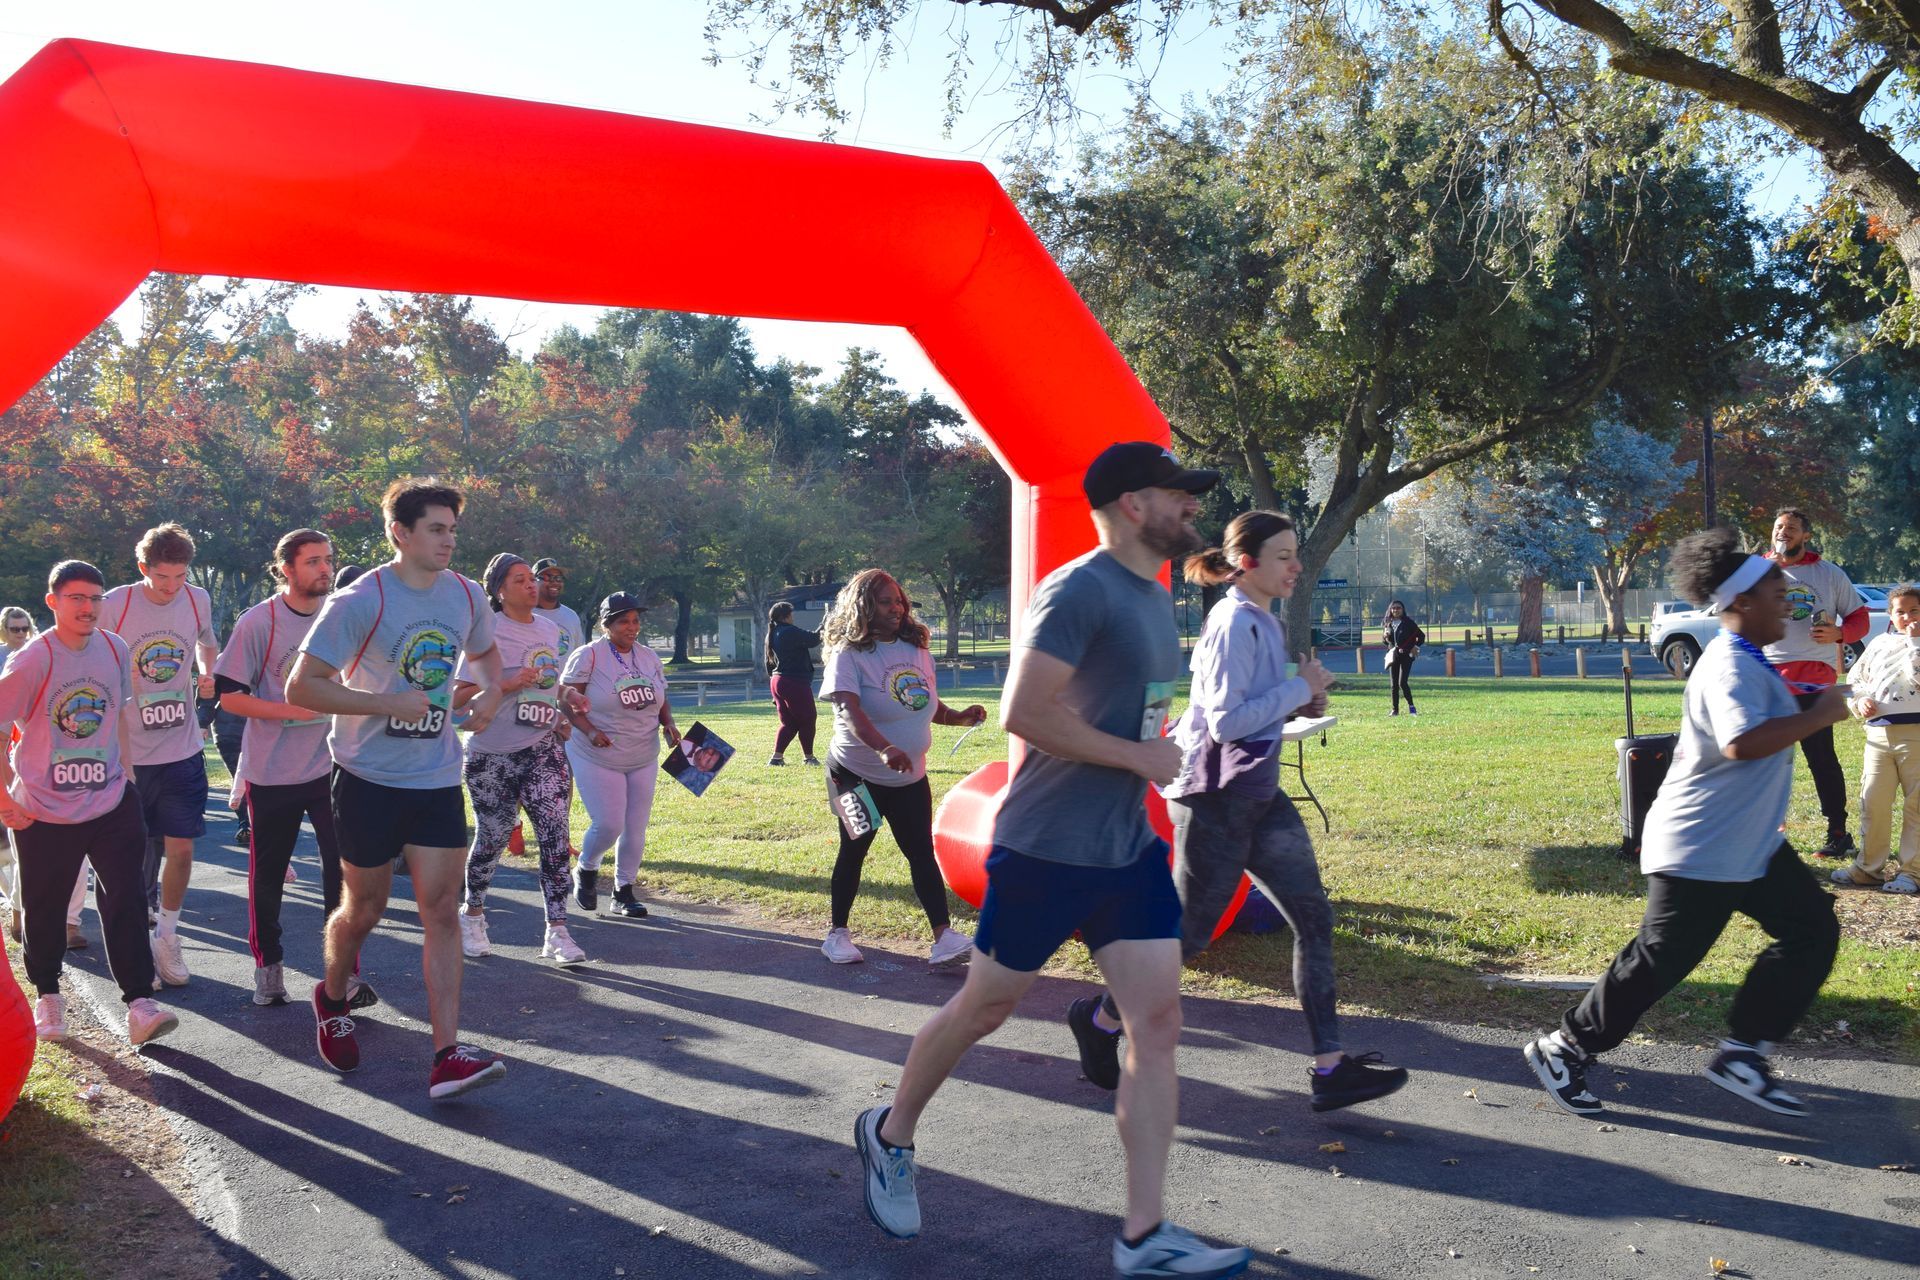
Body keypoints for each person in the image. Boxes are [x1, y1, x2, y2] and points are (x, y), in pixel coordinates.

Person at [854, 442, 1253, 1279]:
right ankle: (889, 1135)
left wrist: (1164, 744)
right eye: (1180, 496)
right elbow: (1023, 712)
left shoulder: (1150, 592)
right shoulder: (1077, 589)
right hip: (1045, 847)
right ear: (1134, 504)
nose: (1193, 508)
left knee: (1159, 1022)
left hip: (1124, 849)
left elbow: (1123, 714)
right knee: (983, 1010)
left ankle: (1144, 1236)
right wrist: (1137, 759)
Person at [1070, 511, 1406, 1113]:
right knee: (1189, 937)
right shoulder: (1232, 622)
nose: (1296, 566)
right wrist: (1297, 690)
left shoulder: (1262, 622)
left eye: (1295, 554)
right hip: (1215, 799)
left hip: (1258, 795)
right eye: (1283, 556)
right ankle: (1100, 1019)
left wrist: (1295, 704)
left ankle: (1330, 1069)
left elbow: (1251, 712)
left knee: (1314, 918)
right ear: (1246, 562)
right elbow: (1225, 723)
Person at [1523, 526, 1844, 1119]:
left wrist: (1818, 699)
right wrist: (1821, 712)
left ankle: (1742, 1053)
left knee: (1812, 931)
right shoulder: (1728, 664)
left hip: (1746, 845)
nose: (1789, 605)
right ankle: (1563, 1047)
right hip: (1702, 845)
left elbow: (1765, 716)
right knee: (1658, 961)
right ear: (1741, 603)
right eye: (1779, 595)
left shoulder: (1751, 658)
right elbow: (1742, 741)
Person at [288, 477, 510, 1099]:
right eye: (436, 529)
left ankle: (446, 1055)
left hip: (437, 777)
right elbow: (301, 688)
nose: (448, 540)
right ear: (400, 533)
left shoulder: (466, 595)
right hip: (367, 778)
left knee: (441, 909)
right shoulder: (362, 601)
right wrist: (388, 701)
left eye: (452, 530)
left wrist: (492, 691)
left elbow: (488, 659)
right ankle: (331, 995)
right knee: (365, 909)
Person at [0, 560, 178, 1047]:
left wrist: (129, 775)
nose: (87, 607)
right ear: (52, 602)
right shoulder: (33, 659)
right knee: (45, 906)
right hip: (43, 807)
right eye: (76, 598)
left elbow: (118, 712)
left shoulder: (115, 647)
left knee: (126, 897)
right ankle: (49, 996)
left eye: (95, 598)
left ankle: (140, 1003)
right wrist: (4, 799)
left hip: (110, 799)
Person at [214, 529, 374, 1008]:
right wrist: (297, 710)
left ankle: (341, 975)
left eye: (328, 560)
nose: (325, 569)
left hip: (334, 764)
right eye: (312, 562)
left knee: (342, 874)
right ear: (286, 568)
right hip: (273, 771)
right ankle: (269, 967)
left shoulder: (344, 616)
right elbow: (228, 696)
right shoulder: (259, 622)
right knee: (269, 875)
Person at [817, 570, 981, 967]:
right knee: (855, 847)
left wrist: (958, 717)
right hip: (853, 773)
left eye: (900, 601)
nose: (897, 608)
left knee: (920, 852)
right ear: (864, 606)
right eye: (886, 601)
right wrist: (884, 748)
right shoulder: (848, 653)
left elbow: (924, 703)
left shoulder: (915, 647)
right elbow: (849, 710)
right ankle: (837, 933)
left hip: (908, 775)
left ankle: (943, 938)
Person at [457, 554, 590, 965]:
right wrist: (508, 682)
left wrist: (568, 700)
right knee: (492, 839)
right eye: (520, 580)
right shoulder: (485, 631)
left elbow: (550, 684)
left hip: (542, 747)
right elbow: (460, 697)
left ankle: (557, 930)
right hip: (491, 754)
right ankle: (473, 914)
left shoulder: (550, 629)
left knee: (554, 837)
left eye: (532, 578)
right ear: (499, 589)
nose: (532, 585)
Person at [103, 523, 219, 987]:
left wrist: (209, 673)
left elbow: (208, 644)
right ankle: (135, 945)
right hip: (128, 751)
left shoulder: (197, 599)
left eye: (180, 576)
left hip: (182, 746)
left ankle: (166, 937)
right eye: (162, 578)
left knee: (183, 848)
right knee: (129, 859)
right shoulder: (117, 603)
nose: (172, 587)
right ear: (143, 569)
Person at [560, 593, 679, 919]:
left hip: (642, 752)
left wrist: (668, 724)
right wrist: (589, 730)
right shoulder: (588, 656)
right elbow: (565, 701)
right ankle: (585, 868)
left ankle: (623, 891)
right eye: (624, 621)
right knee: (610, 823)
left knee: (636, 827)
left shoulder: (649, 656)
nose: (632, 627)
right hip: (596, 753)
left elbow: (661, 695)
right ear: (606, 624)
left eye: (636, 620)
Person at [1765, 508, 1870, 859]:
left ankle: (1838, 833)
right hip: (1765, 679)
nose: (1784, 532)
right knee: (1766, 761)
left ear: (1805, 535)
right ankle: (1763, 835)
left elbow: (1858, 618)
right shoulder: (1758, 572)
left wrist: (1840, 633)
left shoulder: (1828, 573)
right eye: (1779, 527)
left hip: (1814, 679)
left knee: (1821, 758)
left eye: (1791, 528)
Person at [1833, 583, 1920, 895]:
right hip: (1878, 733)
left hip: (1916, 735)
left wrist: (1915, 644)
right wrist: (1859, 701)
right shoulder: (1879, 644)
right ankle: (1868, 868)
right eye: (1901, 611)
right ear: (1890, 614)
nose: (1908, 617)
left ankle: (1912, 872)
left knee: (1916, 805)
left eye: (1915, 611)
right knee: (1873, 800)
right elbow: (1854, 680)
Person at [2, 608, 34, 942]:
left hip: (26, 762)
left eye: (25, 628)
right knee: (4, 853)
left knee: (21, 850)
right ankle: (15, 908)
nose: (20, 633)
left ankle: (22, 911)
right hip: (2, 758)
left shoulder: (38, 655)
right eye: (14, 628)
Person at [766, 601, 823, 766]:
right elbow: (813, 639)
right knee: (808, 718)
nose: (793, 618)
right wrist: (823, 625)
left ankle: (776, 758)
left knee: (789, 723)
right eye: (791, 614)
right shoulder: (789, 631)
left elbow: (768, 662)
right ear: (786, 616)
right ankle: (809, 757)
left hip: (777, 680)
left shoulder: (773, 632)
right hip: (793, 681)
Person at [1382, 599, 1425, 717]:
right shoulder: (1387, 623)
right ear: (1390, 610)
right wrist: (1385, 638)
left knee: (1402, 682)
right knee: (1393, 685)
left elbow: (1421, 636)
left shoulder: (1409, 623)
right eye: (1393, 608)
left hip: (1406, 656)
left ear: (1403, 610)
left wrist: (1415, 646)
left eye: (1398, 608)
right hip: (1393, 656)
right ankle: (1395, 710)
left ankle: (1412, 707)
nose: (1396, 610)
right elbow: (1386, 642)